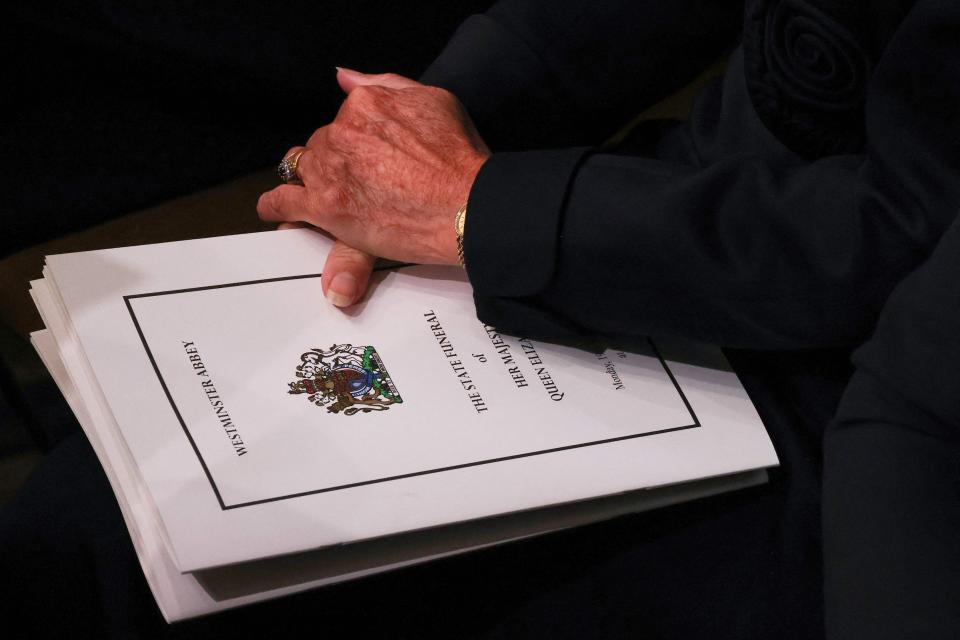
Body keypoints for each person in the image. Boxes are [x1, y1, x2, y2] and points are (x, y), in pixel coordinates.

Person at [2, 1, 958, 638]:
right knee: (96, 524)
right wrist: (414, 129)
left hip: (851, 396)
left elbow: (908, 234)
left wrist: (478, 208)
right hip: (637, 217)